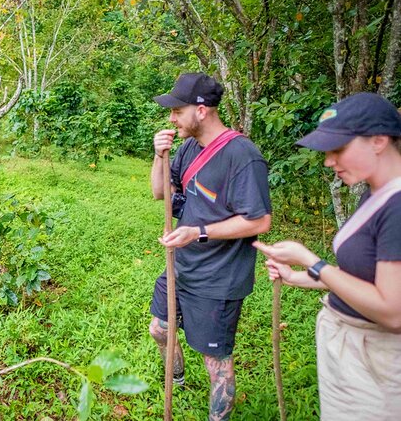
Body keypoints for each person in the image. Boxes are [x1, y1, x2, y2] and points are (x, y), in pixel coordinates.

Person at [254, 92, 401, 420]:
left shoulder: (397, 206)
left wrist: (312, 261)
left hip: (374, 360)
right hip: (351, 348)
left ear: (378, 140)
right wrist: (297, 276)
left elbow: (393, 312)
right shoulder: (375, 194)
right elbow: (363, 281)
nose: (329, 161)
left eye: (338, 150)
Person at [149, 73, 272, 420]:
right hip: (183, 265)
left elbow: (260, 221)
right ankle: (177, 376)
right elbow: (162, 194)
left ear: (201, 110)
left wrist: (197, 232)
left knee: (216, 362)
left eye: (177, 110)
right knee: (159, 328)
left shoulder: (243, 156)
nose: (172, 118)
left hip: (218, 278)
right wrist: (159, 156)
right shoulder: (188, 147)